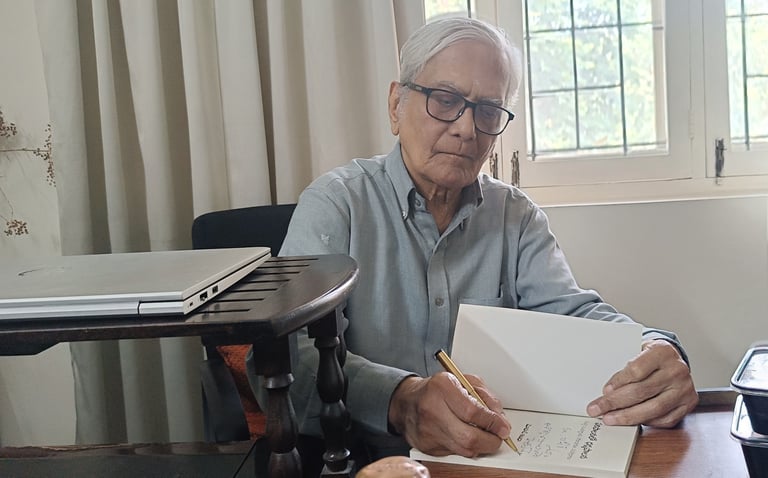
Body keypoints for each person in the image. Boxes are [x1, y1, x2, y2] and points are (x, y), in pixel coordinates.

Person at [247, 16, 698, 464]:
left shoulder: (515, 216)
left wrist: (655, 348)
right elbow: (286, 359)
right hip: (369, 463)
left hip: (498, 460)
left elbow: (573, 314)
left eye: (487, 111)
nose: (467, 129)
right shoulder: (336, 204)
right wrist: (401, 400)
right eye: (445, 100)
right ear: (396, 105)